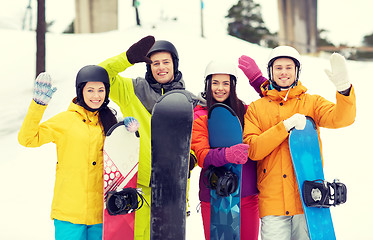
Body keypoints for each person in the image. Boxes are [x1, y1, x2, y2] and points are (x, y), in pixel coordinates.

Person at [242, 46, 356, 240]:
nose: (283, 72)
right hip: (273, 203)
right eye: (278, 68)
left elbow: (342, 118)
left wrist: (344, 90)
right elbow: (253, 150)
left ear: (297, 71)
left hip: (306, 200)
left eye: (289, 67)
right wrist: (284, 127)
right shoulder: (256, 108)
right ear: (270, 72)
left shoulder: (311, 103)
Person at [98, 36, 199, 240]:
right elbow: (99, 76)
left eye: (166, 62)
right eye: (155, 63)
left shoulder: (189, 101)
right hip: (139, 187)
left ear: (175, 64)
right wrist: (127, 58)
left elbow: (197, 139)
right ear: (148, 66)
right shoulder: (132, 90)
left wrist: (192, 157)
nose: (161, 67)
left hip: (173, 189)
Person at [18, 65, 118, 240]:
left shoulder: (109, 122)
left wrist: (127, 130)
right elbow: (27, 139)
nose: (96, 96)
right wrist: (38, 106)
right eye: (91, 90)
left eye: (101, 90)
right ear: (81, 91)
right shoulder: (65, 121)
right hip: (69, 215)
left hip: (101, 215)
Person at [191, 58, 266, 240]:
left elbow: (273, 103)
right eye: (215, 83)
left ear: (233, 86)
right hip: (215, 195)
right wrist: (227, 154)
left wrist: (258, 80)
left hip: (247, 195)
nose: (220, 88)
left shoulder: (247, 111)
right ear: (207, 85)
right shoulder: (200, 115)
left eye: (226, 83)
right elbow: (201, 155)